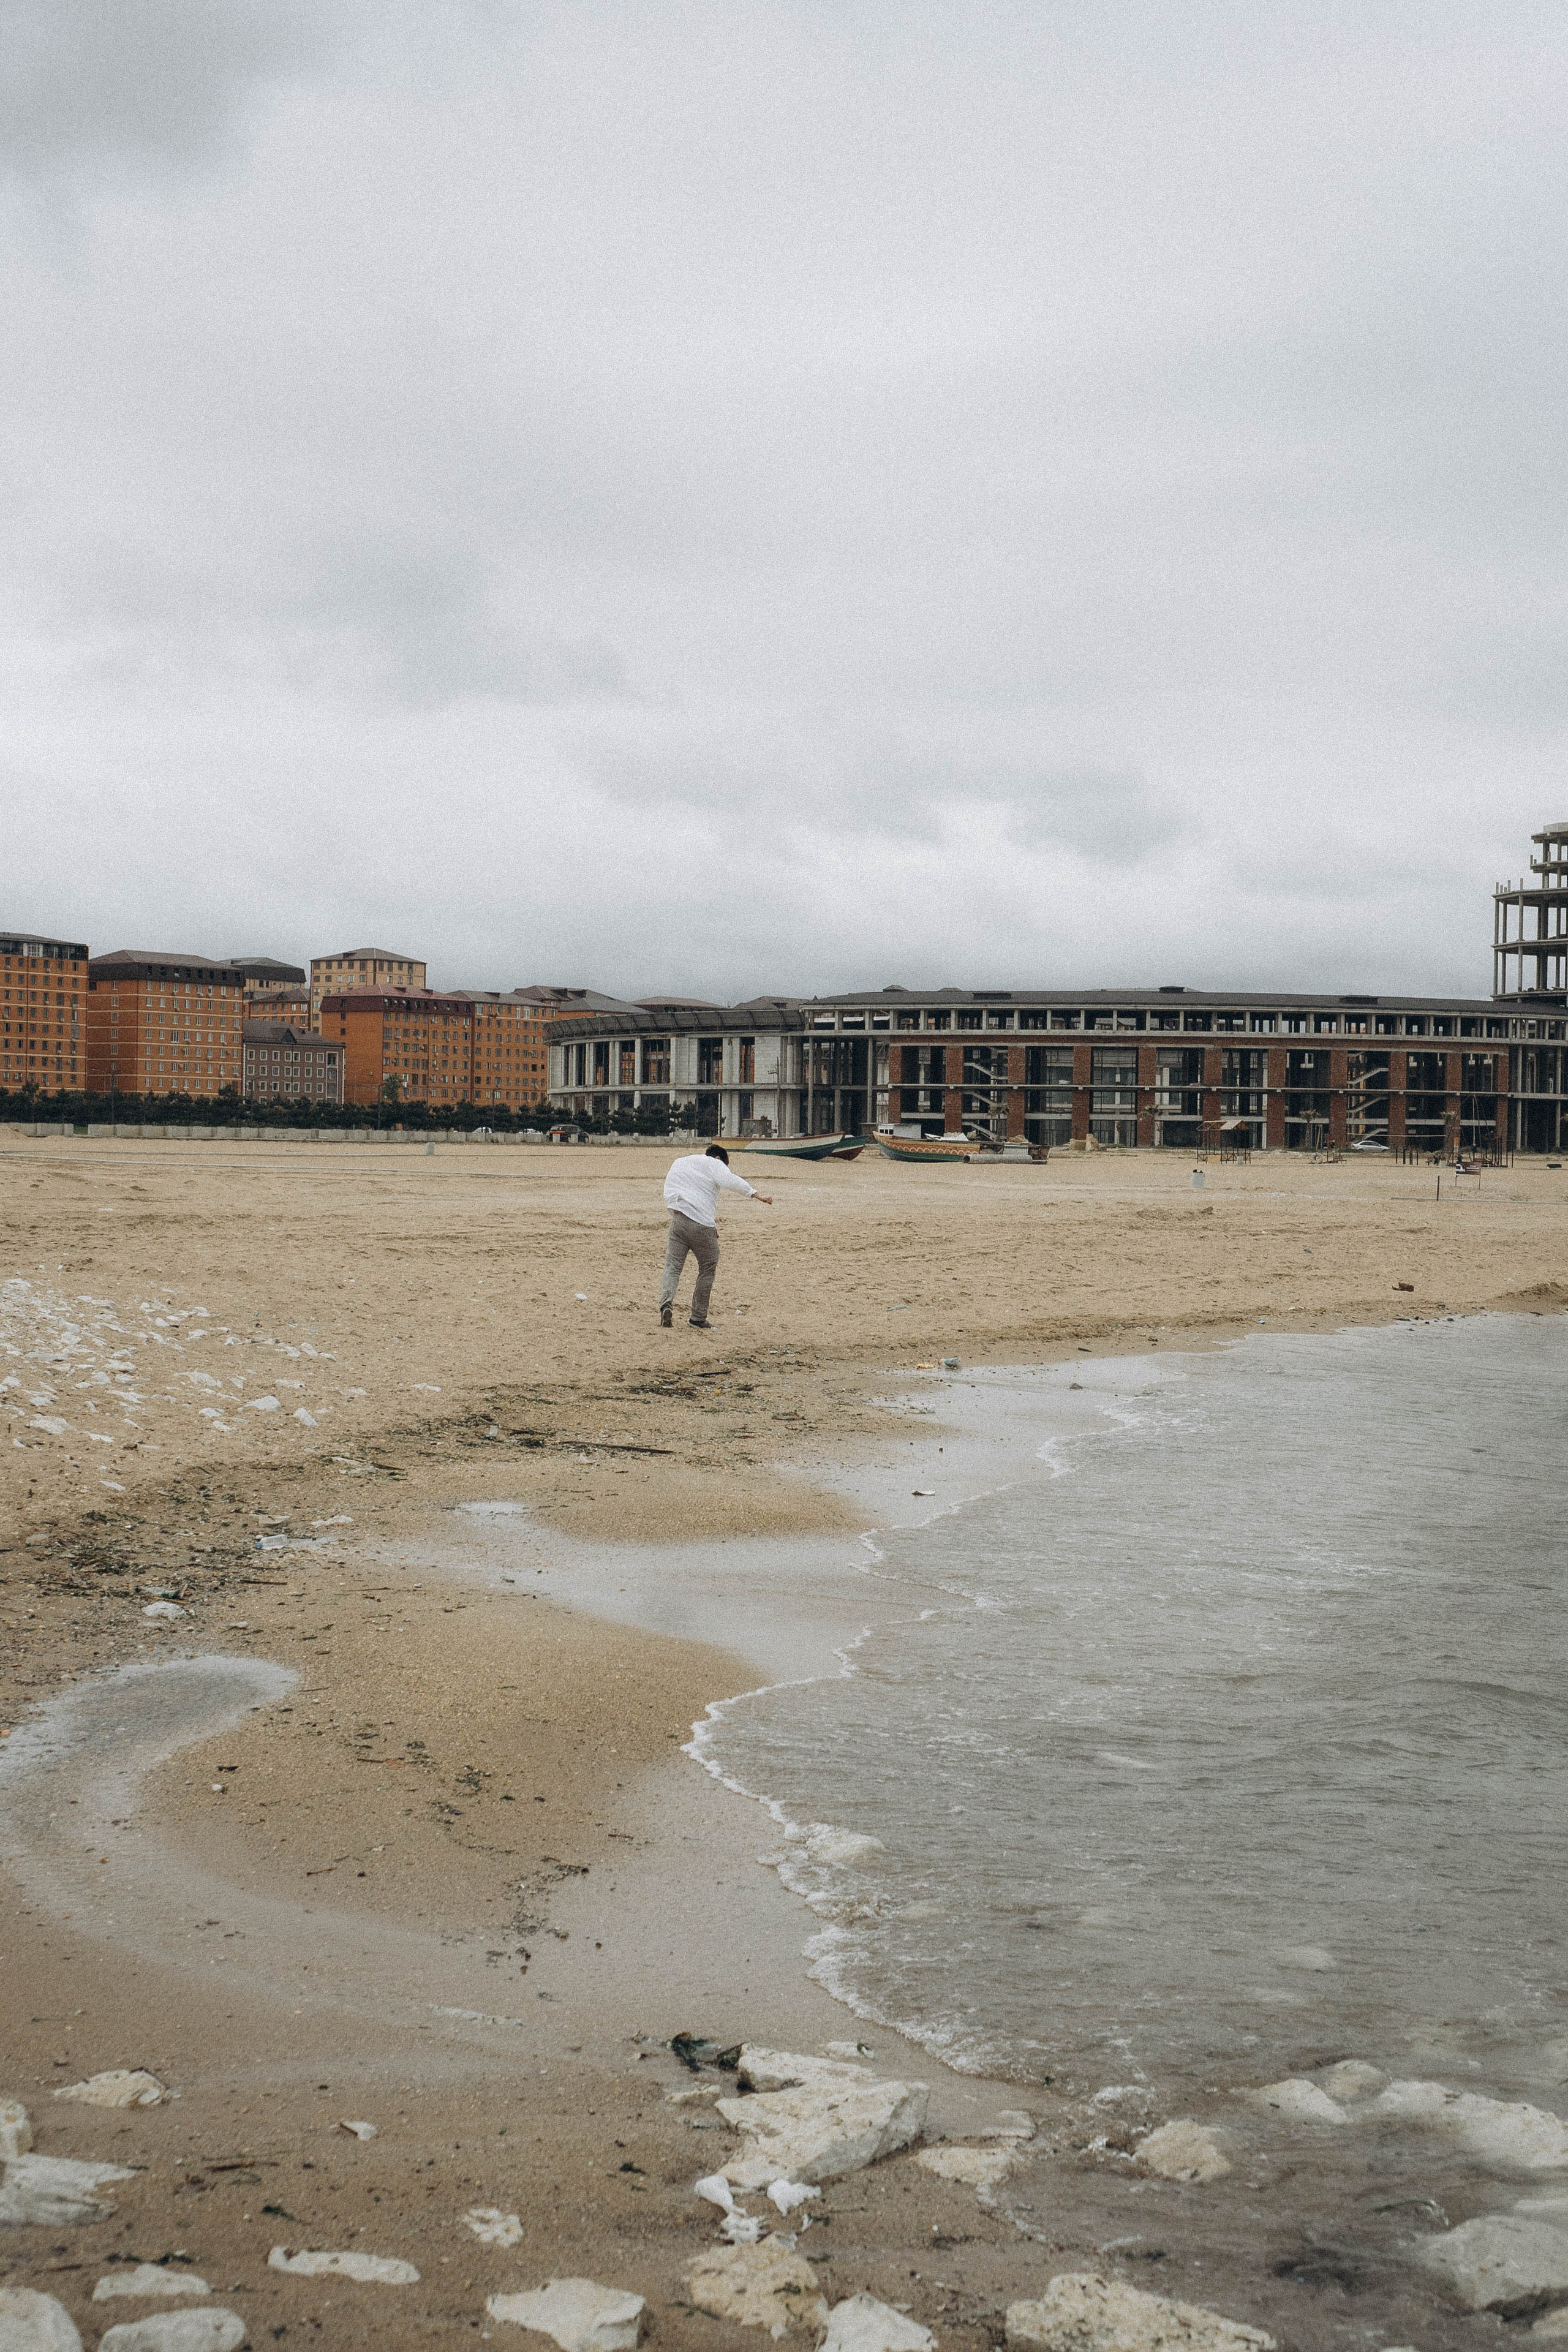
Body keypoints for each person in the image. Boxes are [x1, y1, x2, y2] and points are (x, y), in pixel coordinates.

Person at [660, 1143, 772, 1327]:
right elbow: (730, 1180)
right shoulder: (714, 1163)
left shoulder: (680, 1162)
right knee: (707, 1268)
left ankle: (666, 1304)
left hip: (678, 1220)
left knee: (673, 1266)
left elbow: (669, 1189)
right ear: (719, 1159)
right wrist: (756, 1194)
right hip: (702, 1225)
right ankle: (698, 1318)